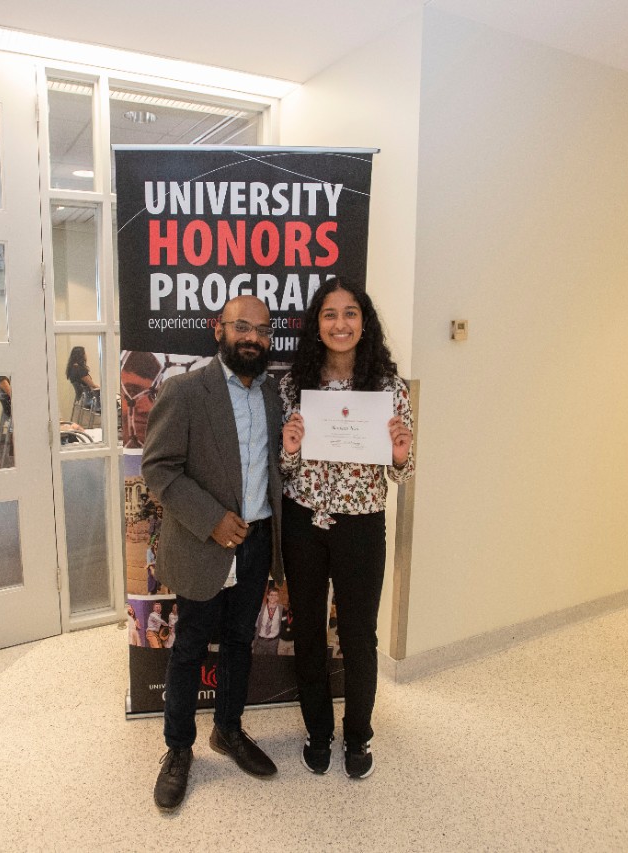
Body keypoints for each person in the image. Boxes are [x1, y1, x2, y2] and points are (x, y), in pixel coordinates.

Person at [142, 295, 284, 812]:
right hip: (205, 543)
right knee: (189, 650)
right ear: (217, 330)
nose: (253, 337)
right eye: (241, 327)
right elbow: (158, 469)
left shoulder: (272, 397)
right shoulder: (185, 391)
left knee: (241, 643)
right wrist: (212, 519)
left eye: (263, 330)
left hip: (258, 542)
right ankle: (178, 750)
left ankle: (228, 730)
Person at [279, 280, 415, 780]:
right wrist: (291, 447)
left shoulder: (389, 389)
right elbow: (286, 471)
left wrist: (400, 455)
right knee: (309, 634)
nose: (340, 324)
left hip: (361, 527)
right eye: (330, 315)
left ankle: (358, 735)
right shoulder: (295, 386)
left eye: (350, 314)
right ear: (317, 325)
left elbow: (402, 472)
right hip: (303, 525)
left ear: (364, 322)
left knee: (359, 637)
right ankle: (318, 731)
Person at [65, 346, 100, 410]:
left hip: (80, 399)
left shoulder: (71, 368)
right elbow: (92, 385)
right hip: (89, 400)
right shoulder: (80, 370)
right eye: (84, 353)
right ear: (81, 355)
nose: (86, 355)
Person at [252, 584, 283, 655]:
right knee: (257, 662)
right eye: (271, 595)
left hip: (273, 641)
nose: (273, 597)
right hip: (260, 640)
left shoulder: (281, 608)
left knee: (271, 662)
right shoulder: (261, 607)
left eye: (276, 595)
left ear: (278, 597)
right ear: (268, 596)